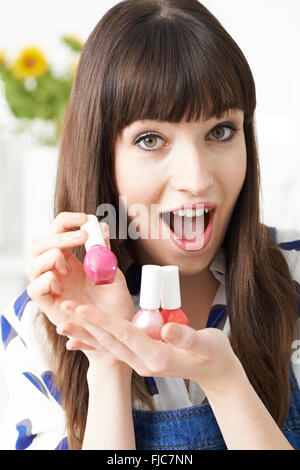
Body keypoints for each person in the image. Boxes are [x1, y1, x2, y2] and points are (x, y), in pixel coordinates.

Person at [1, 0, 300, 450]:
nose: (196, 178)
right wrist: (107, 360)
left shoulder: (293, 276)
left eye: (220, 131)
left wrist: (224, 381)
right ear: (103, 156)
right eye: (151, 139)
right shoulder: (38, 323)